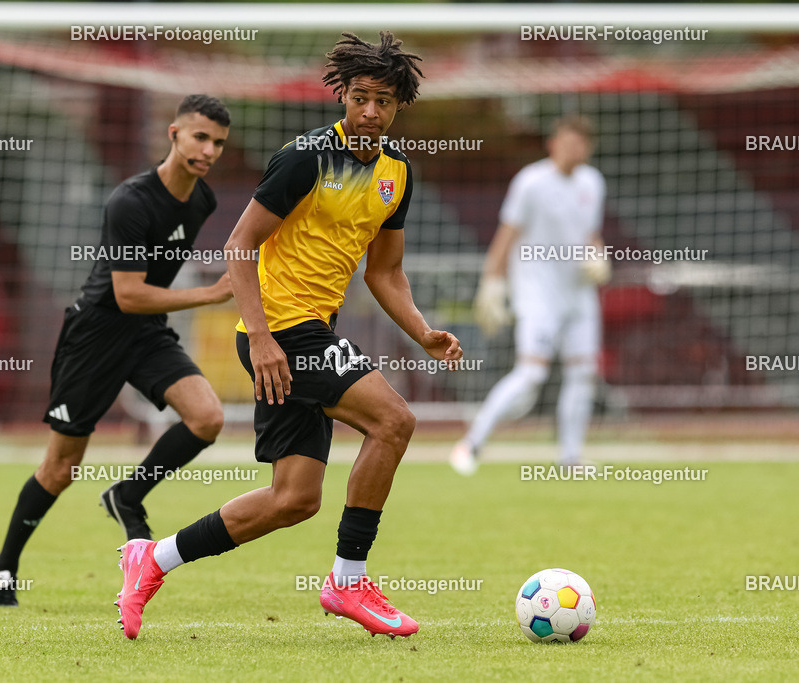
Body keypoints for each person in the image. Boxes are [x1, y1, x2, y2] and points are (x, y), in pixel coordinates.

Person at [113, 32, 462, 640]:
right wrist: (266, 338)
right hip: (283, 335)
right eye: (359, 97)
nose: (370, 112)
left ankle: (153, 557)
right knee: (394, 422)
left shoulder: (396, 174)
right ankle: (349, 581)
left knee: (294, 498)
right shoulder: (305, 158)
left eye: (383, 100)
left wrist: (423, 332)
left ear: (399, 105)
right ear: (342, 97)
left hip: (310, 332)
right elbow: (240, 245)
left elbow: (385, 271)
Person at [0, 95, 234, 607]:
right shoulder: (130, 201)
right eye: (200, 137)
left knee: (207, 417)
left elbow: (148, 299)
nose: (208, 150)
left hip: (145, 335)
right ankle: (3, 565)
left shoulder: (202, 200)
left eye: (218, 143)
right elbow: (128, 293)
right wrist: (210, 292)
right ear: (174, 134)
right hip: (96, 335)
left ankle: (127, 494)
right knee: (61, 467)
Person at [450, 115, 608, 476]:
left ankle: (570, 458)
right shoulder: (531, 182)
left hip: (579, 295)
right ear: (553, 143)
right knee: (531, 376)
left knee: (582, 374)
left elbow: (591, 234)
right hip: (539, 294)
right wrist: (492, 282)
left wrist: (599, 256)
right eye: (568, 141)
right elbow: (506, 235)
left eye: (582, 143)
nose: (574, 149)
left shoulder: (592, 183)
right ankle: (471, 443)